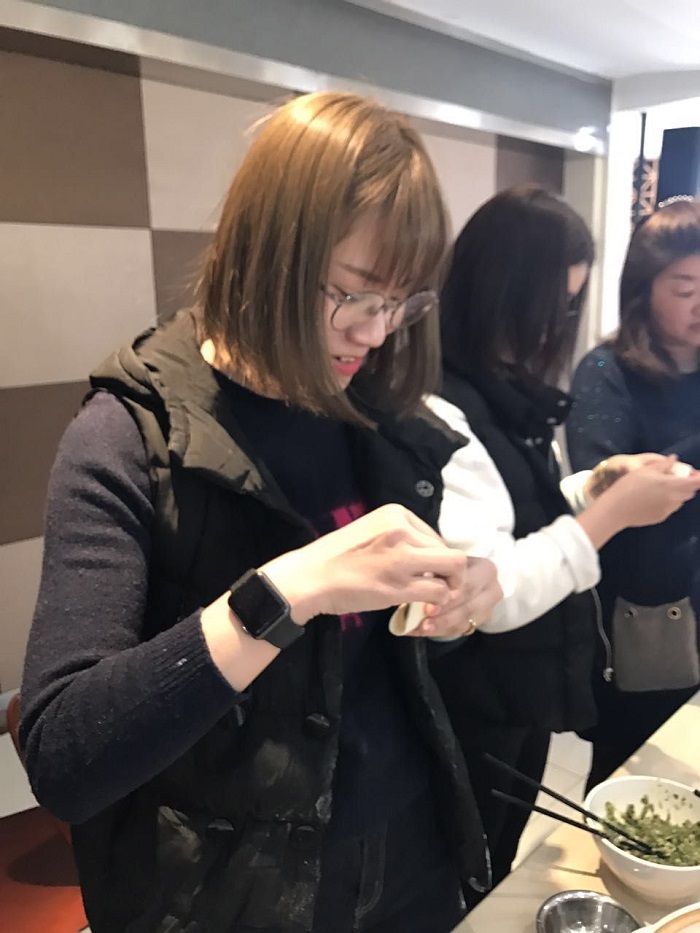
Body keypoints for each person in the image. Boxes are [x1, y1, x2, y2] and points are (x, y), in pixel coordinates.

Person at [18, 92, 503, 933]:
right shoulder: (128, 437)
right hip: (228, 893)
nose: (376, 333)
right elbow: (63, 754)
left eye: (401, 303)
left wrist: (458, 600)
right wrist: (286, 591)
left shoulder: (374, 412)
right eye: (353, 294)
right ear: (269, 253)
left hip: (406, 857)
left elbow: (377, 666)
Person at [424, 185, 700, 887]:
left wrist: (594, 486)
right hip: (474, 696)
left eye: (571, 305)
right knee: (466, 869)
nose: (558, 326)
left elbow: (524, 511)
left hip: (517, 692)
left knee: (500, 848)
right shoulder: (441, 407)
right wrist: (610, 513)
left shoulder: (499, 386)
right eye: (554, 305)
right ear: (502, 294)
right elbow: (488, 591)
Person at [567, 197, 700, 792]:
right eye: (685, 288)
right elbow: (607, 488)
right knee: (630, 769)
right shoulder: (607, 372)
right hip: (646, 613)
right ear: (644, 290)